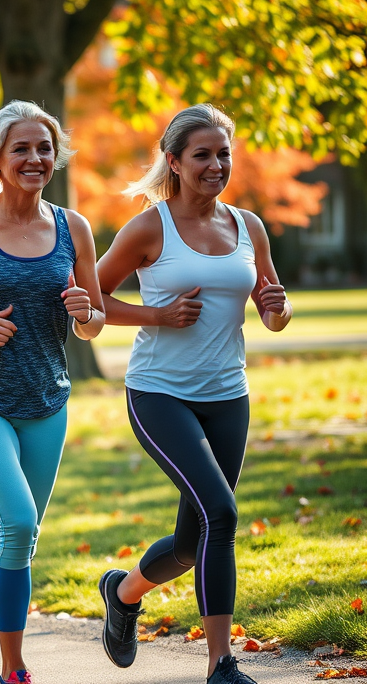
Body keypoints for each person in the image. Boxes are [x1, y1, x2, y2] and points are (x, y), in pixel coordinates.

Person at [94, 104, 291, 684]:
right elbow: (90, 297)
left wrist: (278, 310)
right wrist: (156, 313)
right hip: (159, 394)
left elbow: (271, 311)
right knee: (221, 514)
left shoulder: (248, 226)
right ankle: (221, 664)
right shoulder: (149, 227)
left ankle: (123, 593)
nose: (215, 165)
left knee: (191, 541)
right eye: (202, 155)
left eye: (223, 154)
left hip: (228, 394)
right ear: (175, 162)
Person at [0, 100, 104, 684]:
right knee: (20, 522)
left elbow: (95, 322)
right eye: (21, 149)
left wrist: (85, 314)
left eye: (44, 148)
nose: (35, 158)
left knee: (21, 537)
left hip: (46, 399)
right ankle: (13, 669)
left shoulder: (73, 227)